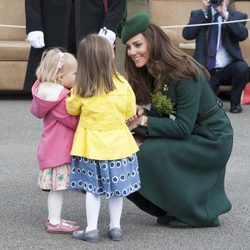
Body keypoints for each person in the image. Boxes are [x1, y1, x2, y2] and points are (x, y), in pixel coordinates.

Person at [121, 12, 233, 228]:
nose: (132, 52)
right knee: (127, 150)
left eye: (137, 45)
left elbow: (182, 127)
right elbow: (165, 115)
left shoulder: (183, 72)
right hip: (193, 131)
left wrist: (143, 124)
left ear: (152, 41)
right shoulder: (154, 71)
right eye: (129, 47)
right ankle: (171, 208)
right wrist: (142, 116)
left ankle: (197, 214)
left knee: (148, 154)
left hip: (212, 138)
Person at [66, 34, 140, 243]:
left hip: (90, 146)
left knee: (92, 189)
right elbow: (129, 111)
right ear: (110, 56)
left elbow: (72, 107)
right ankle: (115, 227)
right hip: (119, 145)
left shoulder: (82, 86)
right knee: (117, 190)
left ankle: (91, 229)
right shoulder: (123, 84)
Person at [24, 0, 127, 93]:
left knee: (95, 90)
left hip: (92, 19)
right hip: (52, 20)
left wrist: (110, 25)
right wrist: (34, 24)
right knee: (48, 92)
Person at [30, 48, 80, 233]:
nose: (77, 77)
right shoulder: (60, 101)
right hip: (58, 153)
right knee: (57, 190)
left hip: (51, 150)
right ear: (60, 77)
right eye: (74, 74)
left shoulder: (48, 96)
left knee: (56, 190)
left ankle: (55, 218)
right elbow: (73, 121)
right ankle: (54, 222)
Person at [182, 0, 249, 113]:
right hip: (206, 70)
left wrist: (225, 15)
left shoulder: (238, 16)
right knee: (208, 107)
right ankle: (211, 99)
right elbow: (187, 34)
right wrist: (204, 11)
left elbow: (242, 35)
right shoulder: (199, 14)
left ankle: (235, 103)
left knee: (242, 68)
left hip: (228, 68)